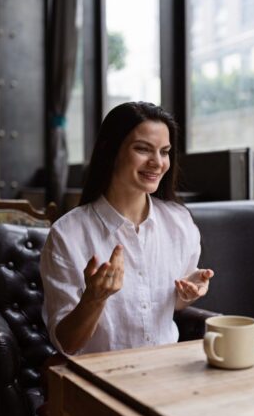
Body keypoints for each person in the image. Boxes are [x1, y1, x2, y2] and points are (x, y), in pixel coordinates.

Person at [40, 101, 214, 355]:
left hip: (165, 368)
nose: (157, 162)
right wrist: (94, 299)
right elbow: (68, 343)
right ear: (110, 150)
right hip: (98, 378)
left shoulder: (180, 222)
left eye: (164, 152)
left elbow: (171, 305)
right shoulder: (67, 235)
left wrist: (188, 292)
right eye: (143, 149)